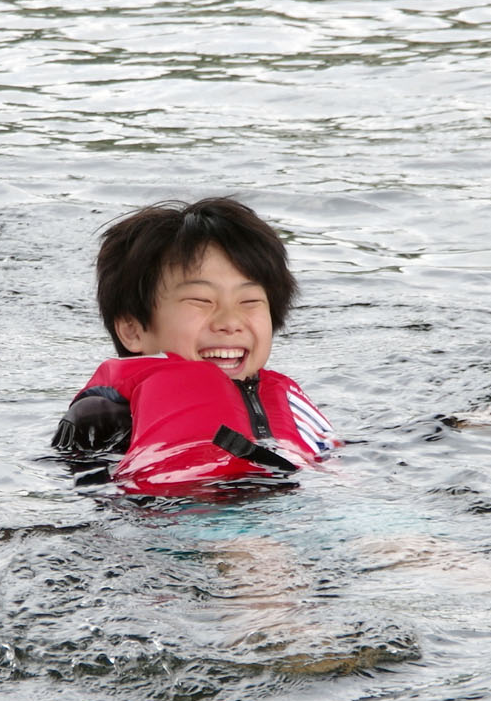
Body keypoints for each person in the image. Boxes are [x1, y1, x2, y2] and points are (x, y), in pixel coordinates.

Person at [52, 196, 338, 494]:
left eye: (249, 302)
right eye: (201, 301)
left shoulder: (292, 404)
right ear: (133, 330)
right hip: (185, 522)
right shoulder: (105, 415)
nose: (230, 321)